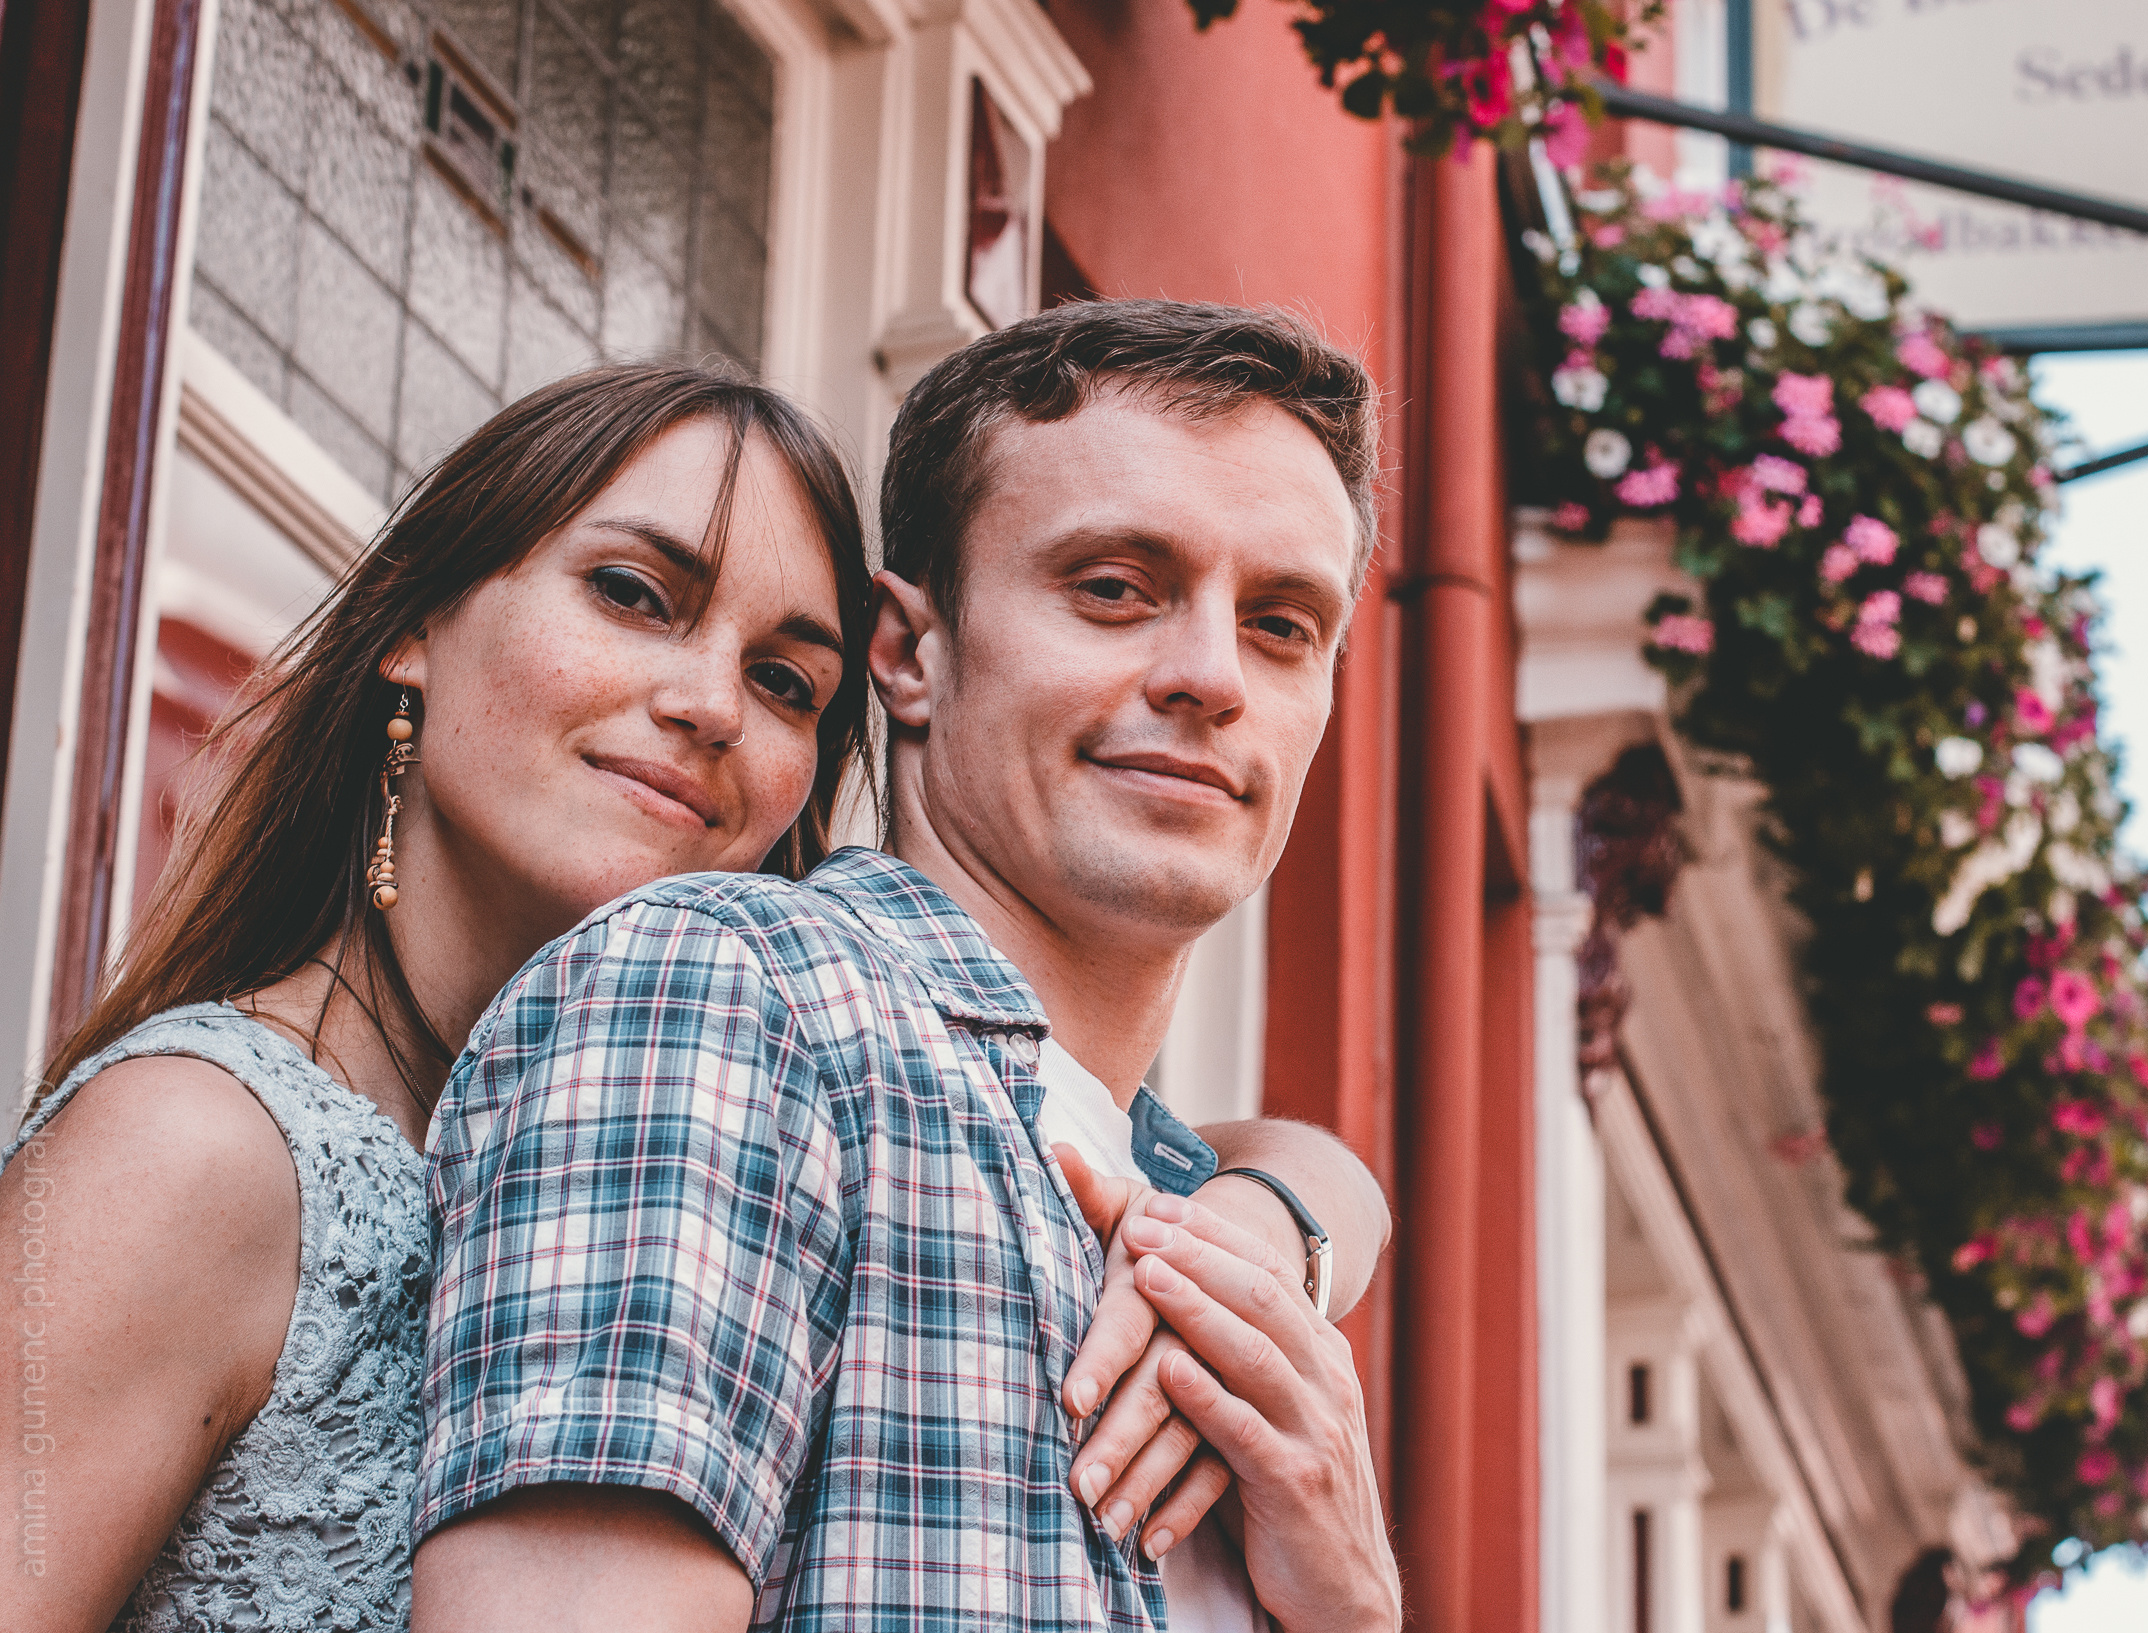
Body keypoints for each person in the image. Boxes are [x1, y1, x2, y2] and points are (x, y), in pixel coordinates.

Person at [0, 358, 1366, 1632]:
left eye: (783, 680)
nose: (711, 702)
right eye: (634, 595)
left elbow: (1231, 1146)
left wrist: (1274, 1222)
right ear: (415, 618)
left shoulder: (730, 1113)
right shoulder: (196, 1144)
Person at [408, 300, 1406, 1633]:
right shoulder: (729, 995)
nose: (1210, 675)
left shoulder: (1199, 1204)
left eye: (1283, 625)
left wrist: (1353, 1611)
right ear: (906, 653)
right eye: (1113, 587)